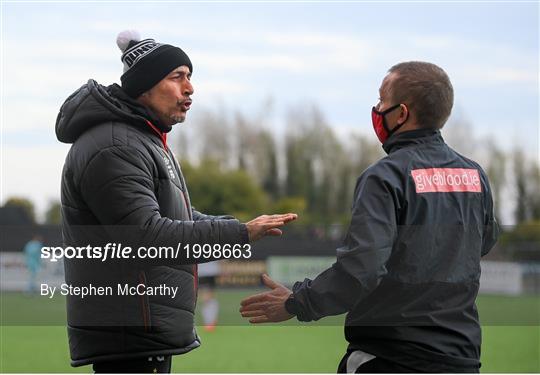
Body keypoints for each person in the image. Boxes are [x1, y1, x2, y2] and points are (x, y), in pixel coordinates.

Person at [55, 30, 297, 373]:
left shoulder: (140, 139)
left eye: (190, 77)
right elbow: (148, 238)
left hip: (140, 337)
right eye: (177, 77)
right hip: (130, 338)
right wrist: (239, 234)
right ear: (145, 86)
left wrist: (240, 228)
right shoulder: (115, 146)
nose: (190, 88)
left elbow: (178, 216)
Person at [240, 61, 499, 373]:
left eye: (381, 101)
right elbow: (481, 242)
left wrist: (296, 302)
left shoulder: (386, 176)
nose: (376, 109)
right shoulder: (474, 175)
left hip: (391, 357)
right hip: (462, 359)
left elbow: (362, 269)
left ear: (401, 114)